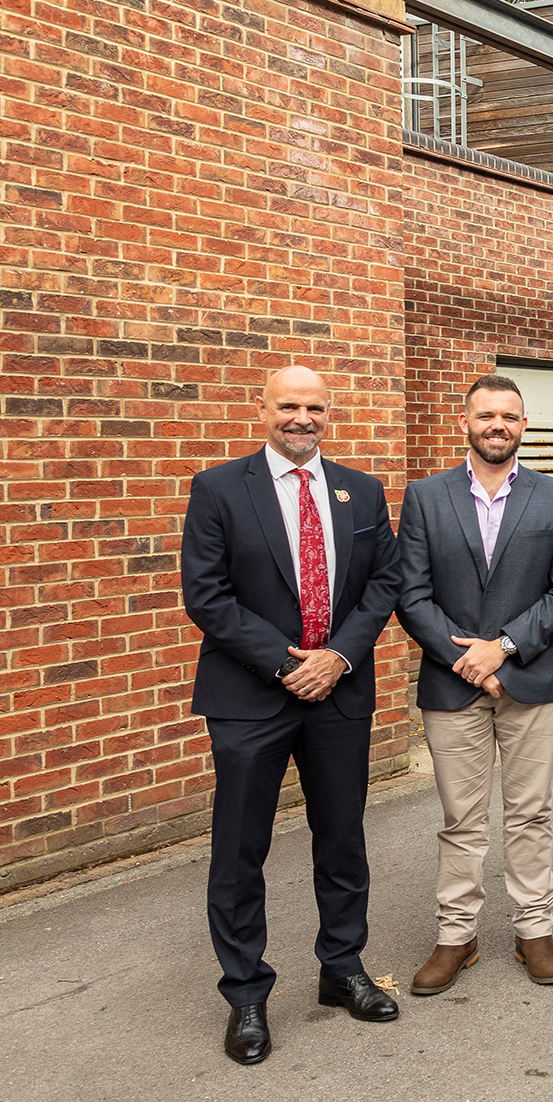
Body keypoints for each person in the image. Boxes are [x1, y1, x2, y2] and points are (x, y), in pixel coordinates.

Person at [179, 365, 403, 1066]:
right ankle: (246, 992)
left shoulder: (359, 491)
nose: (300, 418)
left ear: (328, 412)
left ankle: (342, 969)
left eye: (313, 406)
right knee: (241, 849)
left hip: (338, 691)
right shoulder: (218, 488)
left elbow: (384, 582)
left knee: (342, 839)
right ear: (262, 409)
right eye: (287, 406)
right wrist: (286, 664)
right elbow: (207, 597)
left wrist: (335, 657)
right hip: (249, 697)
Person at [396, 375, 553, 995]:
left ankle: (535, 928)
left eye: (509, 415)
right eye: (486, 415)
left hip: (532, 680)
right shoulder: (425, 497)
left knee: (531, 812)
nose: (497, 425)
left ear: (523, 425)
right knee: (461, 818)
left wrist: (500, 648)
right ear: (466, 422)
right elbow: (411, 594)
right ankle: (458, 936)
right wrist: (468, 660)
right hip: (453, 685)